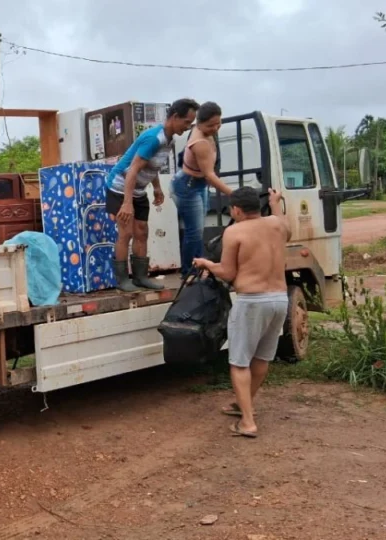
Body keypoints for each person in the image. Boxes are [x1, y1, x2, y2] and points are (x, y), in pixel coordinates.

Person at [192, 187, 290, 438]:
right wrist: (275, 202)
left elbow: (227, 272)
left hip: (252, 301)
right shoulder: (277, 225)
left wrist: (207, 264)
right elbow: (285, 227)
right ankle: (242, 404)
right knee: (261, 358)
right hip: (280, 299)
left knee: (239, 362)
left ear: (236, 209)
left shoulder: (234, 231)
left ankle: (247, 422)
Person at [106, 98, 199, 292]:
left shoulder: (170, 140)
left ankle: (140, 277)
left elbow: (151, 165)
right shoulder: (154, 139)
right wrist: (127, 203)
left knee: (142, 231)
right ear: (175, 117)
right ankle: (122, 280)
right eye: (186, 122)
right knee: (126, 233)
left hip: (138, 190)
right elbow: (133, 170)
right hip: (120, 187)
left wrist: (156, 187)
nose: (188, 127)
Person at [171, 101, 233, 277]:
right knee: (194, 231)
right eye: (210, 125)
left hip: (198, 183)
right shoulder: (200, 142)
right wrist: (233, 194)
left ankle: (198, 267)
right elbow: (210, 175)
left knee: (198, 229)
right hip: (188, 185)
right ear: (199, 123)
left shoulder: (207, 133)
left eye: (218, 123)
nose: (215, 128)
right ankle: (189, 271)